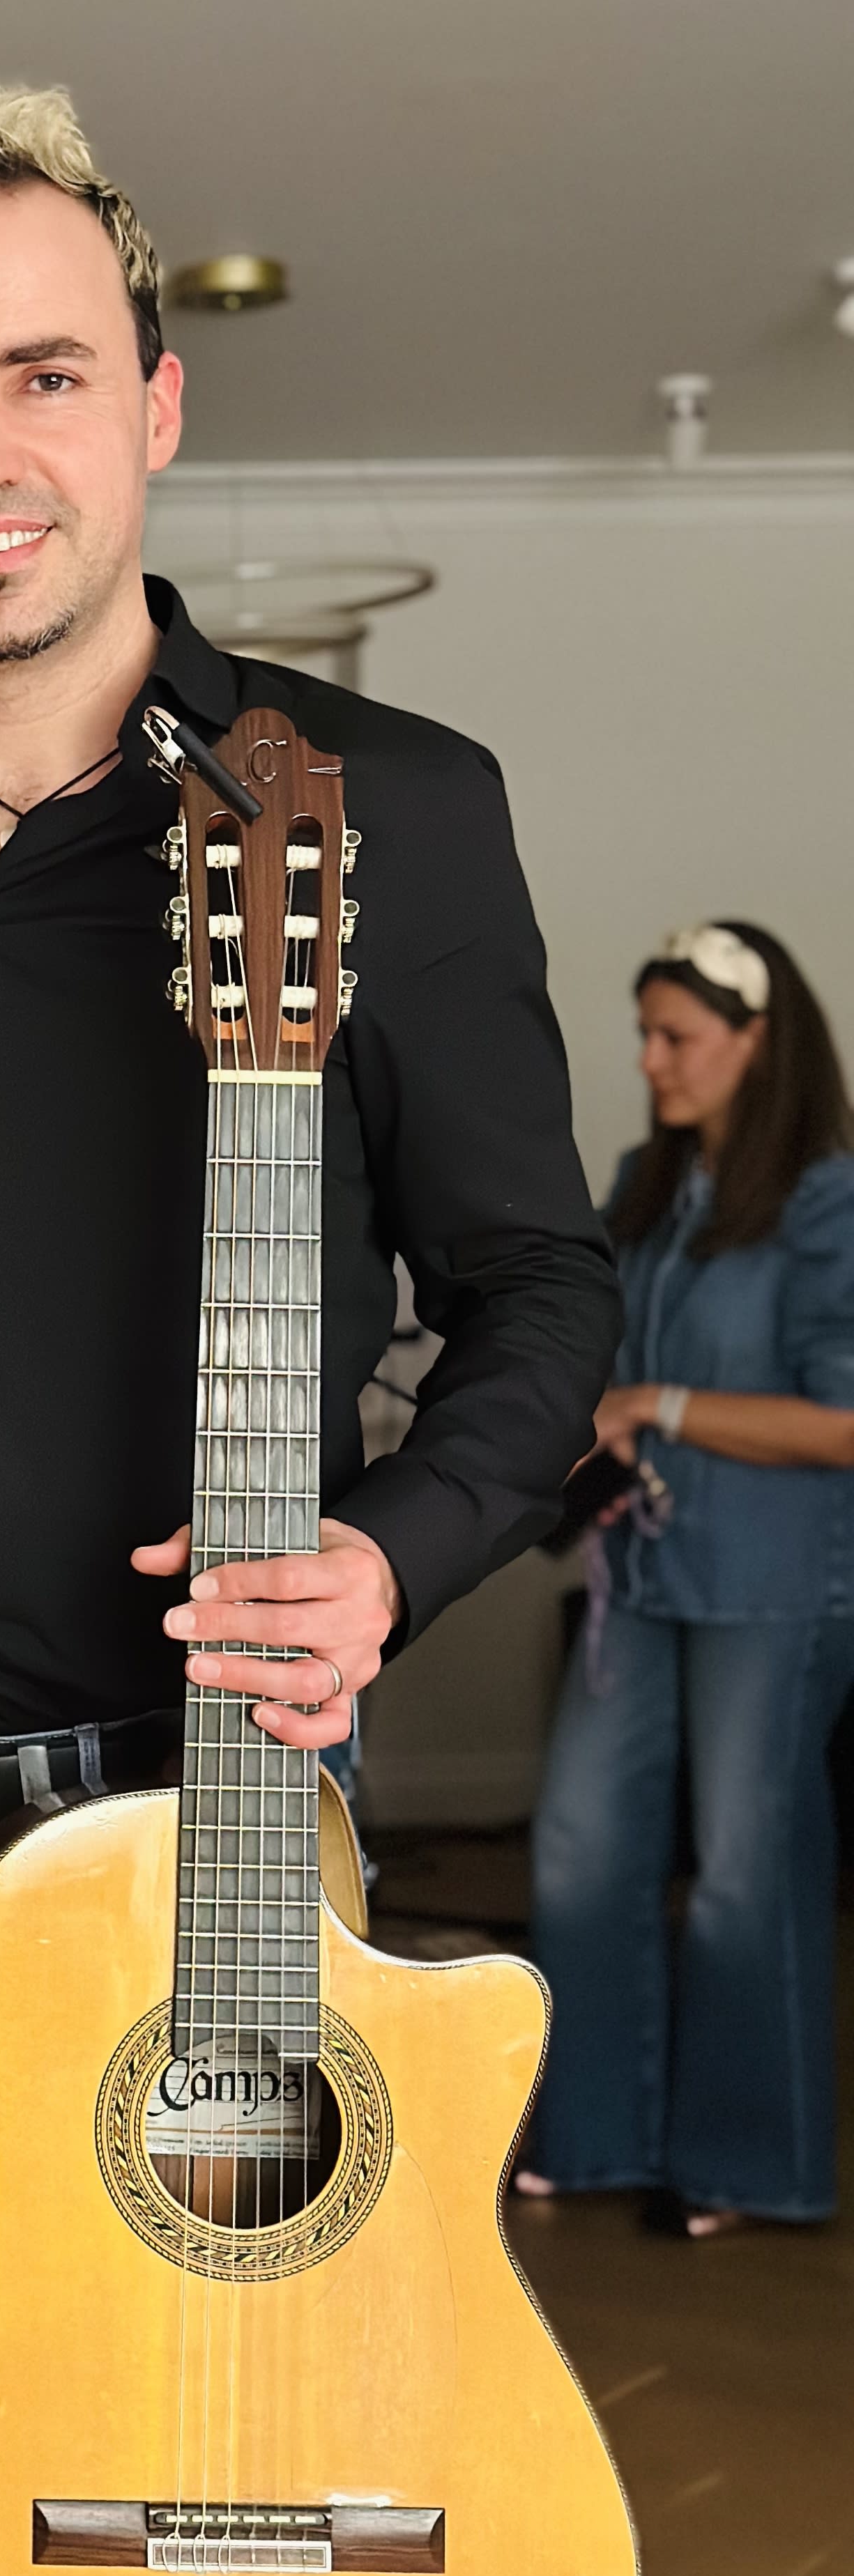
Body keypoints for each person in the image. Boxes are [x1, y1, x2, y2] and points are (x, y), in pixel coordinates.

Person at [0, 81, 623, 2576]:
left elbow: (536, 1284)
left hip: (196, 1837)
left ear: (155, 407)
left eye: (43, 376)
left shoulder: (383, 811)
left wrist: (395, 1546)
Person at [521, 922, 854, 2237]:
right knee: (580, 1844)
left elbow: (844, 1421)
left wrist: (655, 1403)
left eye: (678, 1037)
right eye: (645, 1034)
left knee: (743, 1872)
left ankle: (747, 2164)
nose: (652, 1060)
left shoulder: (827, 1203)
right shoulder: (645, 1189)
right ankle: (594, 2133)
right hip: (640, 1573)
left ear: (758, 1044)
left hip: (774, 1586)